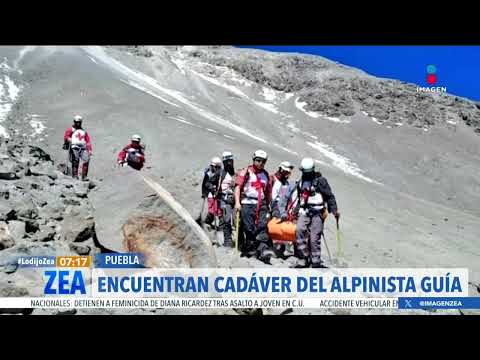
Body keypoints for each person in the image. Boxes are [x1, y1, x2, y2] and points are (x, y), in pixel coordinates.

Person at [283, 157, 340, 268]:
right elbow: (300, 199)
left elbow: (329, 196)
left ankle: (315, 260)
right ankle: (304, 257)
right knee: (299, 230)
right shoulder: (301, 181)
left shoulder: (321, 181)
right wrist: (295, 211)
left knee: (314, 238)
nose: (306, 174)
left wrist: (334, 210)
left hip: (318, 212)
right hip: (304, 210)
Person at [234, 149, 274, 264]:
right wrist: (237, 203)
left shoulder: (266, 175)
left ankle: (263, 251)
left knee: (262, 227)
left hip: (261, 204)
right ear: (254, 160)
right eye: (258, 160)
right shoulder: (246, 172)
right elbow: (238, 187)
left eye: (263, 161)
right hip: (247, 203)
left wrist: (269, 205)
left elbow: (268, 192)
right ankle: (249, 248)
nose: (260, 163)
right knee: (249, 228)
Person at [269, 161, 295, 257]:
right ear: (281, 169)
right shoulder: (272, 179)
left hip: (284, 208)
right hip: (274, 207)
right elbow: (271, 196)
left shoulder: (286, 183)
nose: (288, 174)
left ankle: (281, 249)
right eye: (286, 172)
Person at [63, 115, 92, 181]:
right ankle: (75, 175)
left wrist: (89, 149)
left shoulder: (84, 131)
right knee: (75, 161)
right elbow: (66, 136)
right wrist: (68, 139)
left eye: (79, 122)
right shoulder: (70, 130)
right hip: (74, 147)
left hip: (83, 148)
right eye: (77, 122)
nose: (78, 123)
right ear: (74, 122)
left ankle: (84, 176)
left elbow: (88, 140)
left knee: (86, 160)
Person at [218, 151, 236, 247]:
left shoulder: (235, 174)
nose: (229, 163)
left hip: (235, 200)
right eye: (227, 162)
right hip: (224, 199)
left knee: (238, 221)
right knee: (227, 220)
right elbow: (211, 183)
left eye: (230, 161)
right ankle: (228, 240)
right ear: (224, 162)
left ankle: (240, 240)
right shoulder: (221, 174)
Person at [201, 157, 223, 228]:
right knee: (213, 210)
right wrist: (204, 193)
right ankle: (207, 222)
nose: (213, 168)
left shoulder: (220, 173)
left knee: (218, 210)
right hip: (211, 194)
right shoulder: (208, 173)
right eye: (212, 166)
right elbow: (205, 184)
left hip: (218, 194)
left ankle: (221, 224)